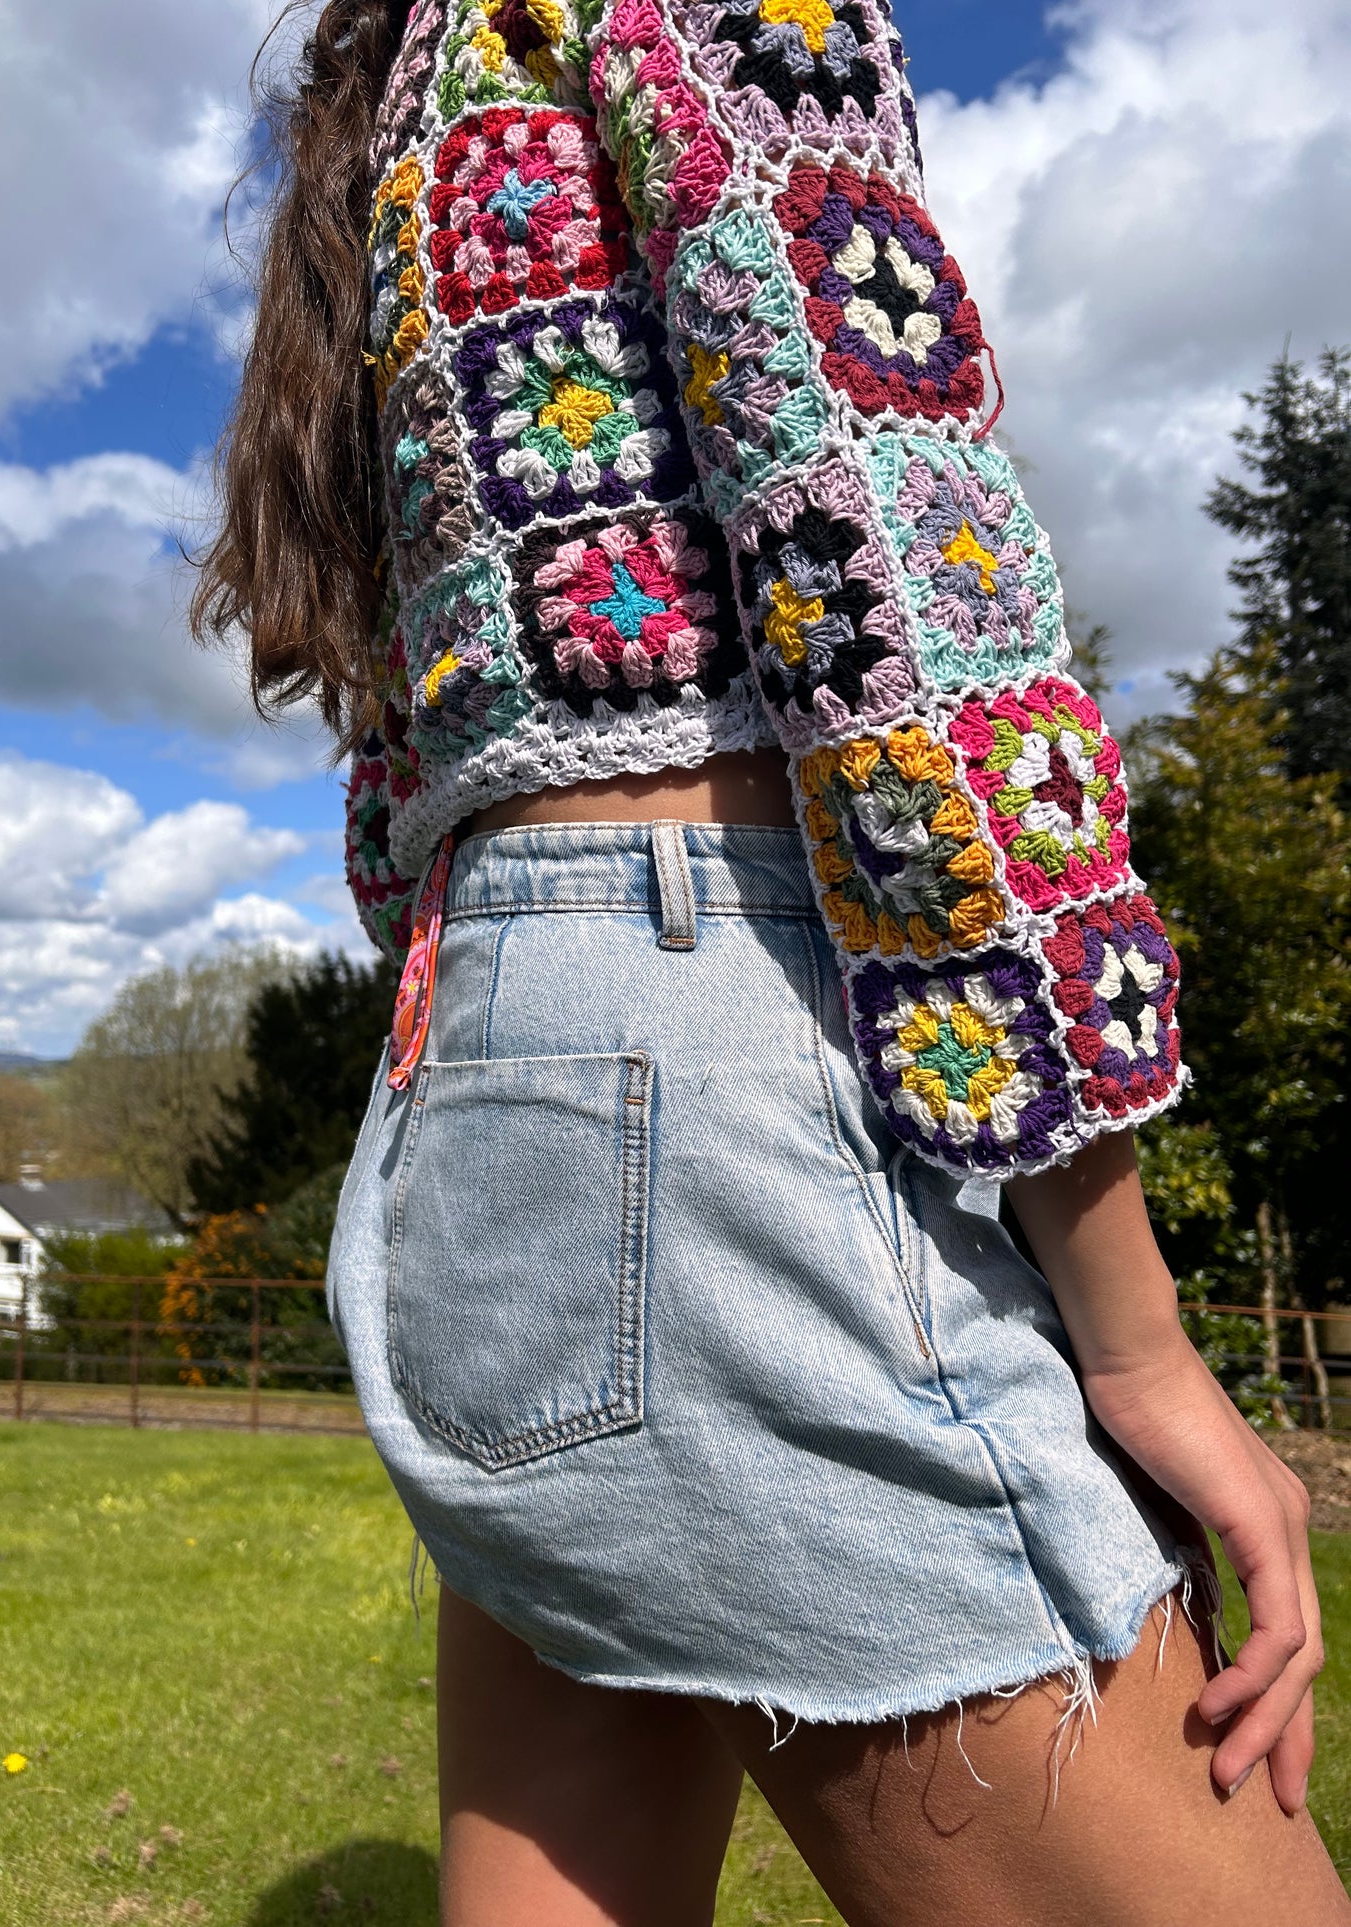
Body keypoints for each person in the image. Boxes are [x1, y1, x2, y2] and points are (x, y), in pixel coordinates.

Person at [193, 1, 1348, 1919]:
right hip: (728, 1061)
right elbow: (897, 602)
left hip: (482, 1059)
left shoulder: (415, 83)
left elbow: (407, 739)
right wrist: (1139, 1345)